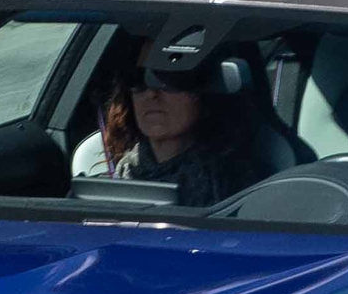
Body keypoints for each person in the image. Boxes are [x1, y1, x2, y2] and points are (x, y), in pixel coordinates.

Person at [91, 42, 260, 207]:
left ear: (204, 90)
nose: (151, 93)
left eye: (168, 78)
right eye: (137, 78)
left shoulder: (236, 183)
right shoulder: (112, 179)